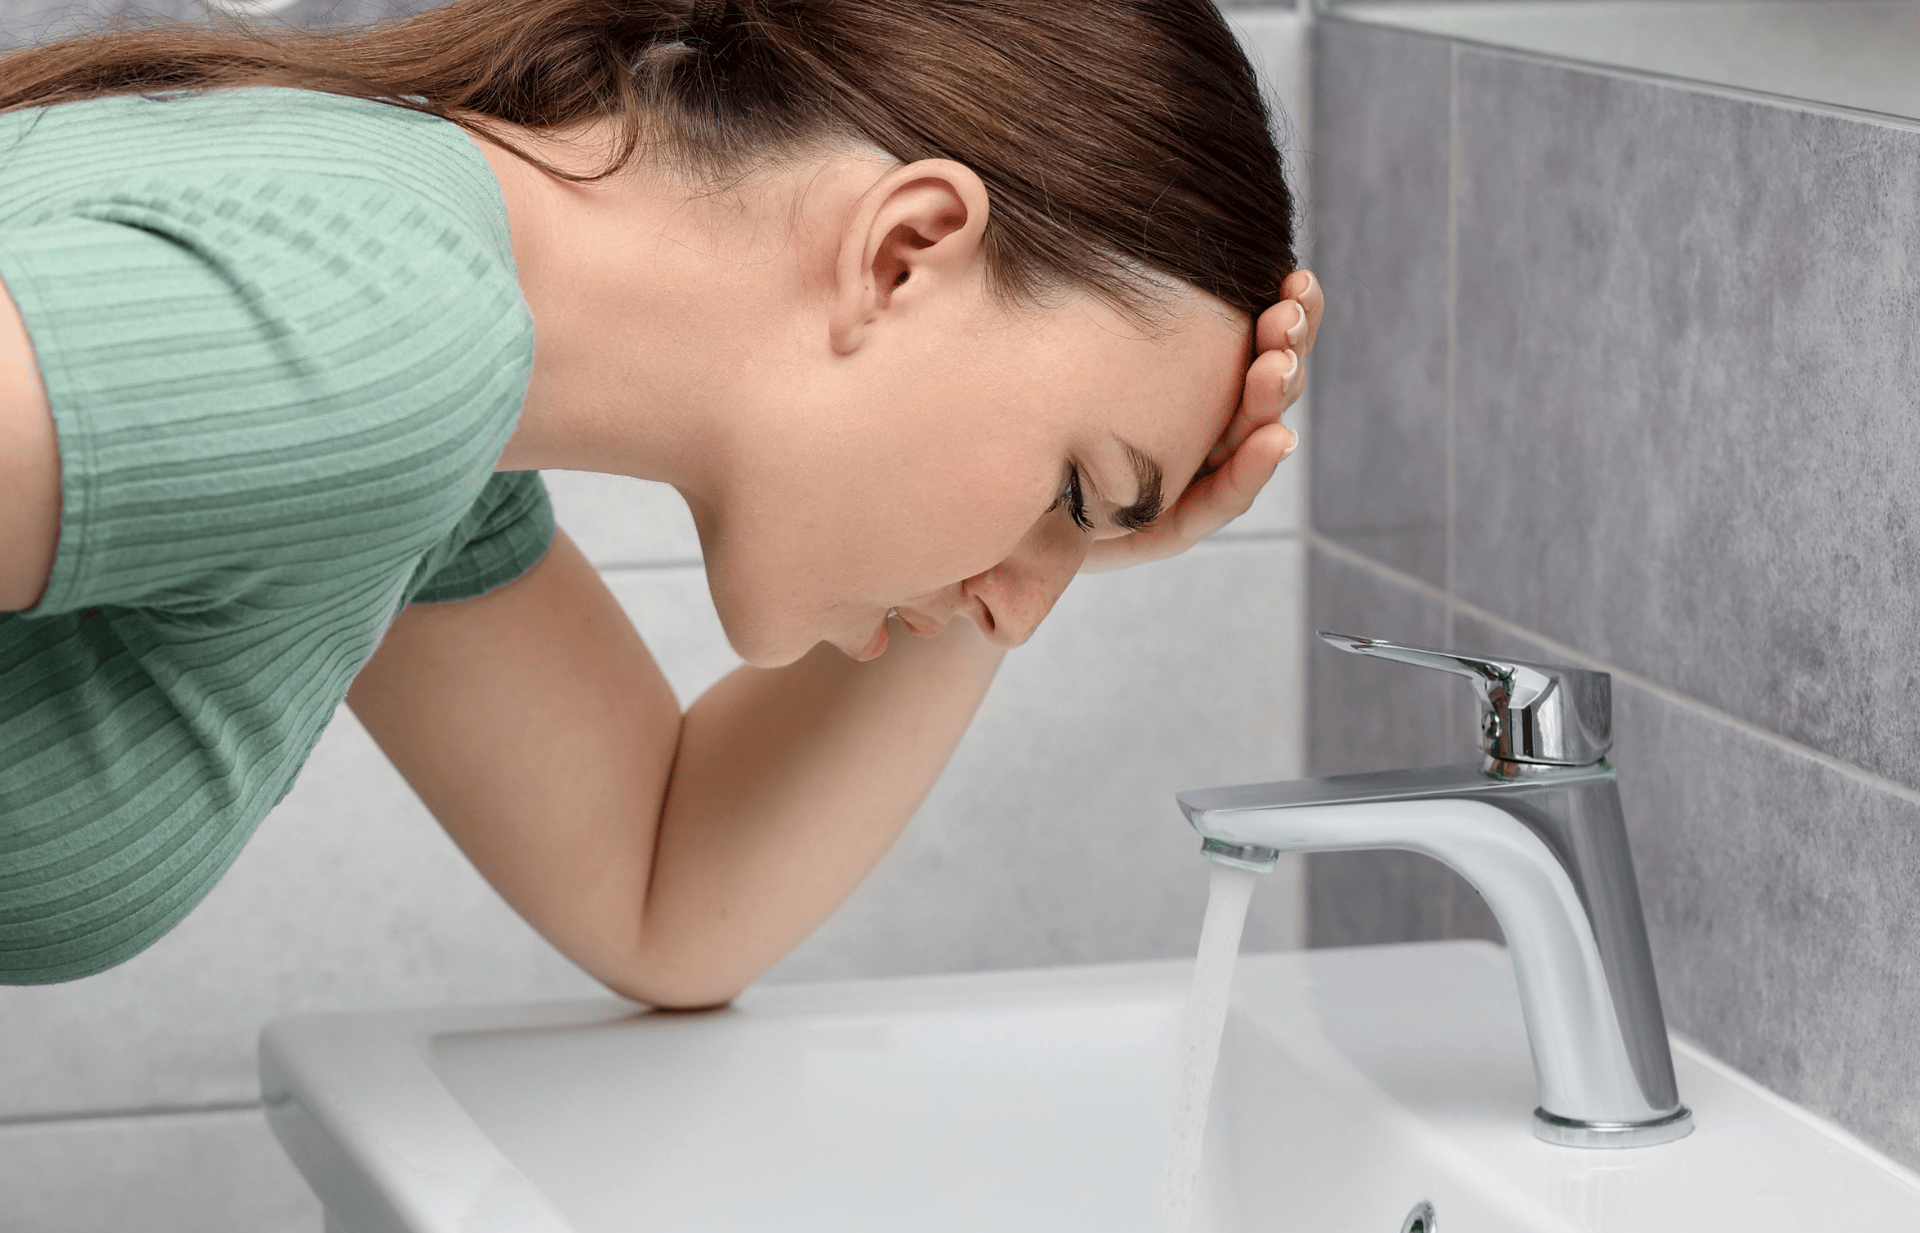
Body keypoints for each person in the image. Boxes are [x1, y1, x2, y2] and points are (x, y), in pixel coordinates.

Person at [0, 0, 1320, 1005]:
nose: (1020, 607)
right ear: (905, 253)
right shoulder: (392, 338)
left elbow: (661, 892)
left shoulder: (434, 403)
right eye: (1074, 490)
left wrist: (1062, 553)